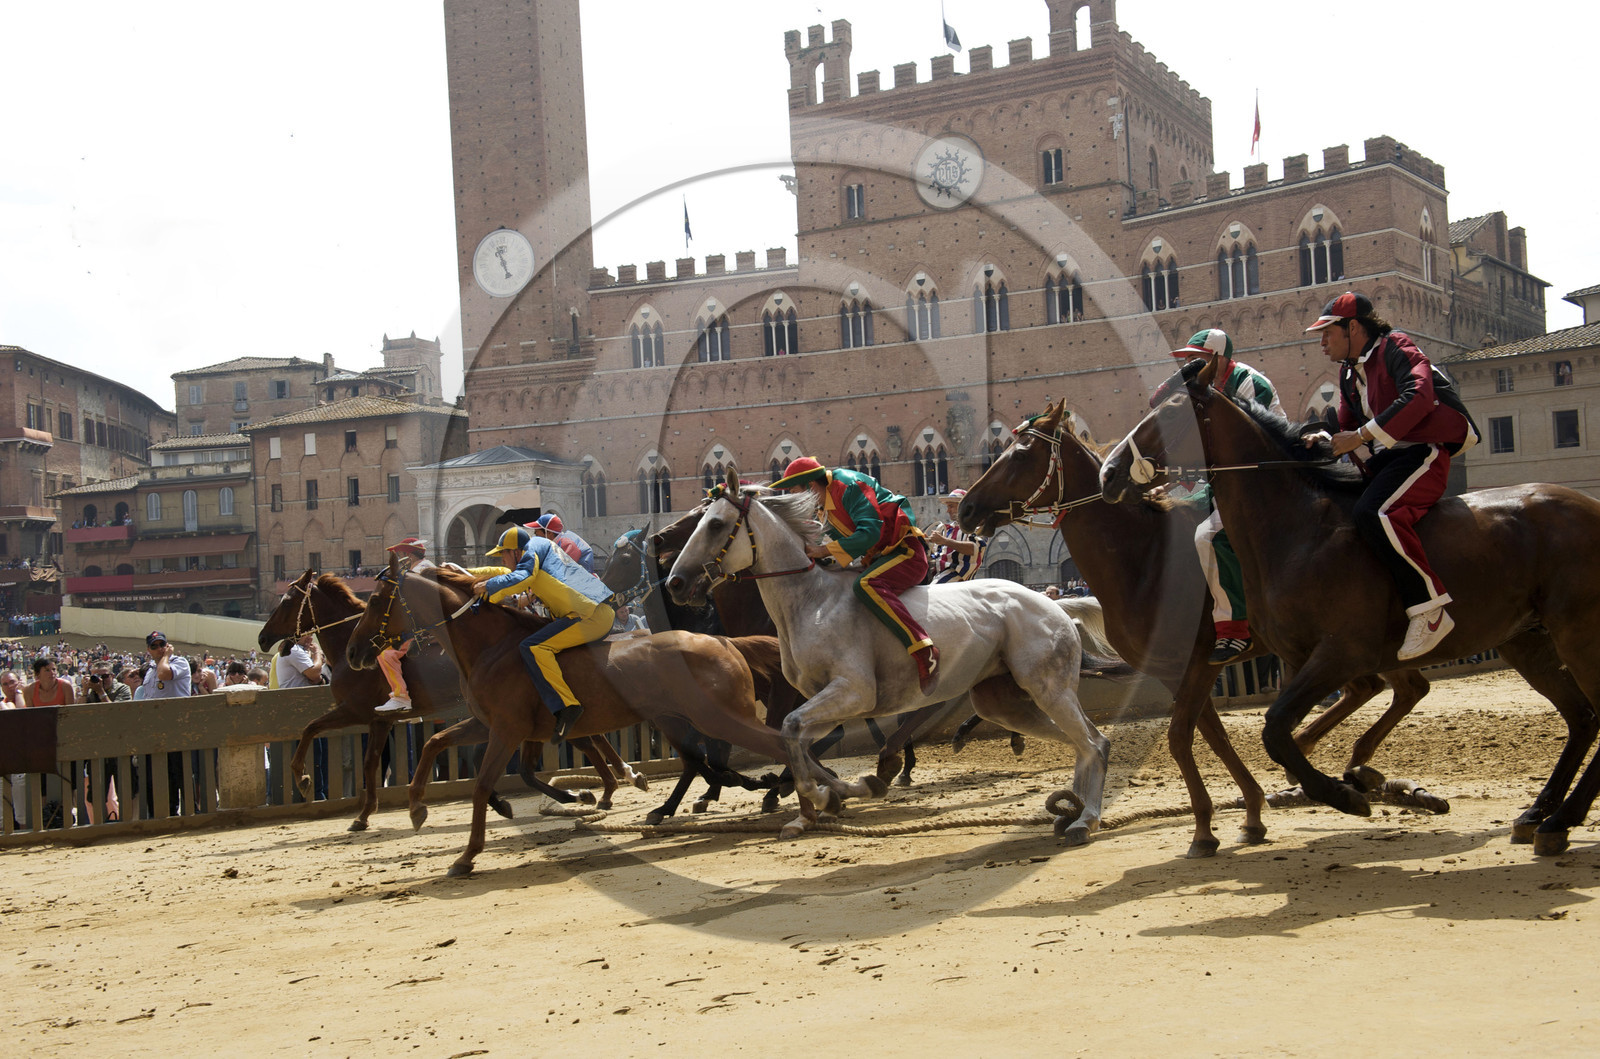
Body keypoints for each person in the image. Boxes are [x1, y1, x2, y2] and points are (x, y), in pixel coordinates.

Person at [1305, 291, 1478, 661]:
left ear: (1353, 327)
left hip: (1425, 452)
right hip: (1388, 460)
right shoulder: (1349, 373)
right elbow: (1347, 428)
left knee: (1375, 513)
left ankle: (1429, 610)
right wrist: (1321, 439)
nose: (1321, 342)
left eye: (1327, 333)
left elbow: (1419, 395)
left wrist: (1361, 437)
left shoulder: (1397, 346)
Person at [1161, 328, 1284, 664]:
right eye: (1185, 359)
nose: (1187, 365)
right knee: (1173, 518)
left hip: (1264, 480)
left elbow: (1245, 443)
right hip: (1227, 481)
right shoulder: (1204, 389)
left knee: (1210, 536)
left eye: (1194, 359)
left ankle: (1234, 630)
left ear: (1217, 359)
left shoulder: (1247, 382)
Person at [770, 456, 940, 693]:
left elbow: (870, 533)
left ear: (810, 487)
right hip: (879, 558)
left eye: (794, 491)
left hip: (907, 553)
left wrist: (823, 550)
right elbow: (840, 547)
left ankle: (924, 650)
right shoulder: (823, 507)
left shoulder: (847, 486)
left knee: (866, 584)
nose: (793, 498)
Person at [435, 525, 614, 740]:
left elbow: (522, 577)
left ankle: (568, 706)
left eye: (503, 554)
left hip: (591, 617)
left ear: (515, 552)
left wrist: (487, 586)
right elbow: (503, 573)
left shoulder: (534, 549)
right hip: (590, 613)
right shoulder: (534, 552)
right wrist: (464, 572)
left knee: (532, 646)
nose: (501, 559)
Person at [375, 536, 430, 713]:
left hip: (424, 628)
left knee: (386, 655)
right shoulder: (422, 567)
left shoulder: (419, 570)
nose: (400, 559)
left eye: (402, 555)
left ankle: (400, 696)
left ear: (410, 555)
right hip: (423, 623)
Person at [275, 631, 328, 798]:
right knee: (312, 755)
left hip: (302, 710)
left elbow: (317, 679)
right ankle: (316, 796)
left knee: (315, 754)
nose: (310, 639)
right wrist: (317, 655)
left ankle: (315, 794)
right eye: (307, 635)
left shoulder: (294, 650)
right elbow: (314, 673)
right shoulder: (293, 650)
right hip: (301, 711)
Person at [926, 488, 985, 585]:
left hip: (957, 574)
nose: (948, 510)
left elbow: (973, 549)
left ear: (963, 507)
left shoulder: (976, 528)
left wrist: (944, 540)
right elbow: (935, 555)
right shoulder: (946, 529)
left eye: (951, 506)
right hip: (938, 573)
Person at [530, 513, 595, 573]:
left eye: (537, 534)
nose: (535, 537)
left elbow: (561, 569)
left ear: (549, 533)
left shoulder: (567, 544)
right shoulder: (560, 541)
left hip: (581, 582)